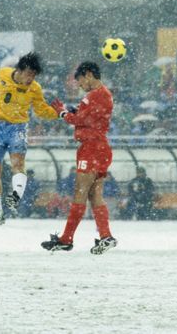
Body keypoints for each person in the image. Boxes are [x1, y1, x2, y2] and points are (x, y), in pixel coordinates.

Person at [41, 61, 118, 255]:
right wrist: (71, 111)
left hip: (91, 148)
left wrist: (63, 113)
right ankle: (106, 236)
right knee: (94, 194)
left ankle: (66, 239)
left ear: (89, 75)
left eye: (81, 81)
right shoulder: (104, 94)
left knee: (80, 193)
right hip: (100, 148)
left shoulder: (94, 95)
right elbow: (87, 116)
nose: (80, 85)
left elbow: (80, 120)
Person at [0, 52, 58, 224]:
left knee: (17, 163)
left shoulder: (35, 89)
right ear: (19, 70)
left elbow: (41, 110)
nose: (31, 78)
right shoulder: (3, 74)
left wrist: (60, 113)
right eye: (29, 73)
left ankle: (16, 195)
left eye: (34, 75)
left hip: (18, 128)